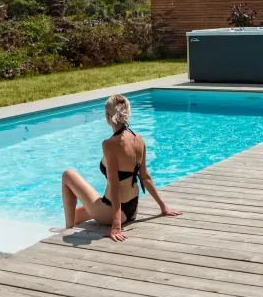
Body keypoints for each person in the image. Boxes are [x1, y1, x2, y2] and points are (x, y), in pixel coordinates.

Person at [59, 94, 180, 241]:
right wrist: (163, 207)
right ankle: (70, 224)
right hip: (132, 209)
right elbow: (145, 177)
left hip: (113, 211)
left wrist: (116, 226)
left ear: (108, 117)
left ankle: (67, 228)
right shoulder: (138, 139)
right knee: (76, 215)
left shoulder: (109, 145)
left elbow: (115, 186)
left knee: (68, 174)